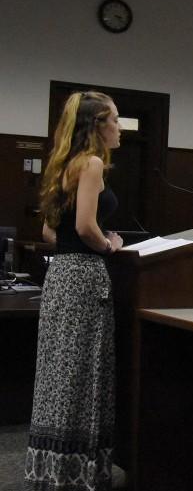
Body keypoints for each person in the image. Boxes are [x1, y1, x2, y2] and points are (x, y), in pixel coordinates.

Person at [25, 91, 124, 491]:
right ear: (97, 125)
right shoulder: (93, 163)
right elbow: (85, 226)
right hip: (84, 277)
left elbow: (50, 229)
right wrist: (110, 245)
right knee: (83, 373)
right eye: (115, 120)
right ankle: (79, 474)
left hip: (59, 277)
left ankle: (50, 470)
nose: (120, 128)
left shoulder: (63, 163)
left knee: (57, 375)